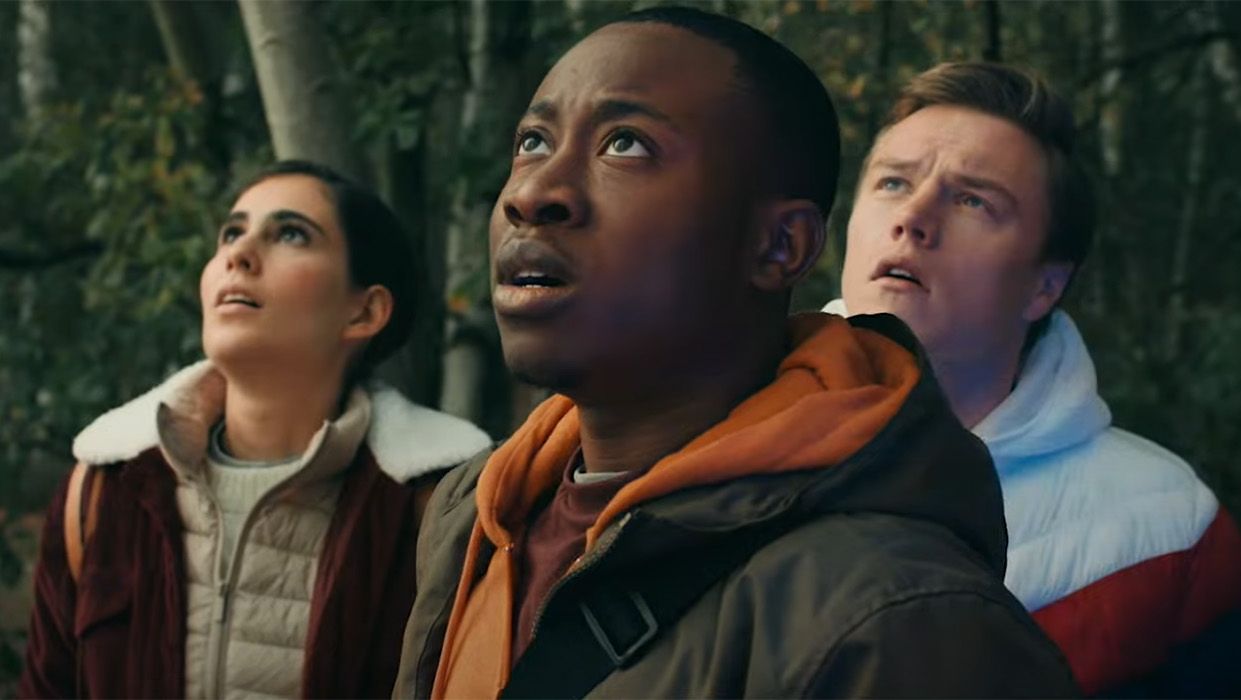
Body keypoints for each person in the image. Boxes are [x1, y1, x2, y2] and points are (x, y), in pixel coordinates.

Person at [395, 8, 1076, 699]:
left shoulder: (903, 625)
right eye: (533, 141)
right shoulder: (474, 518)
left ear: (779, 247)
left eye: (625, 145)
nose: (533, 194)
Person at [826, 61, 1241, 696]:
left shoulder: (1168, 528)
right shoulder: (706, 439)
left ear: (1045, 285)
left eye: (972, 200)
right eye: (894, 183)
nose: (914, 218)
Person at [19, 160, 493, 699]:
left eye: (290, 233)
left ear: (364, 312)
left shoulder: (442, 512)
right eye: (231, 232)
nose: (237, 255)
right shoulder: (103, 490)